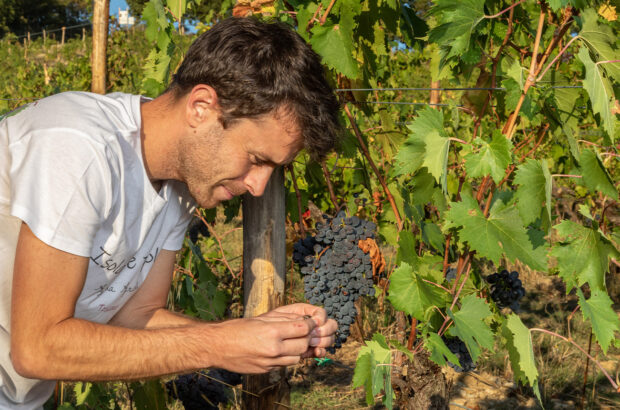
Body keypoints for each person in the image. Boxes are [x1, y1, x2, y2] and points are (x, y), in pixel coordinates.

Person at [0, 17, 341, 409]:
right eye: (255, 158)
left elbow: (135, 316)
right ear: (201, 107)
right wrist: (217, 345)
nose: (258, 186)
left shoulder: (178, 187)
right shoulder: (79, 149)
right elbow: (37, 348)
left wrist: (248, 333)